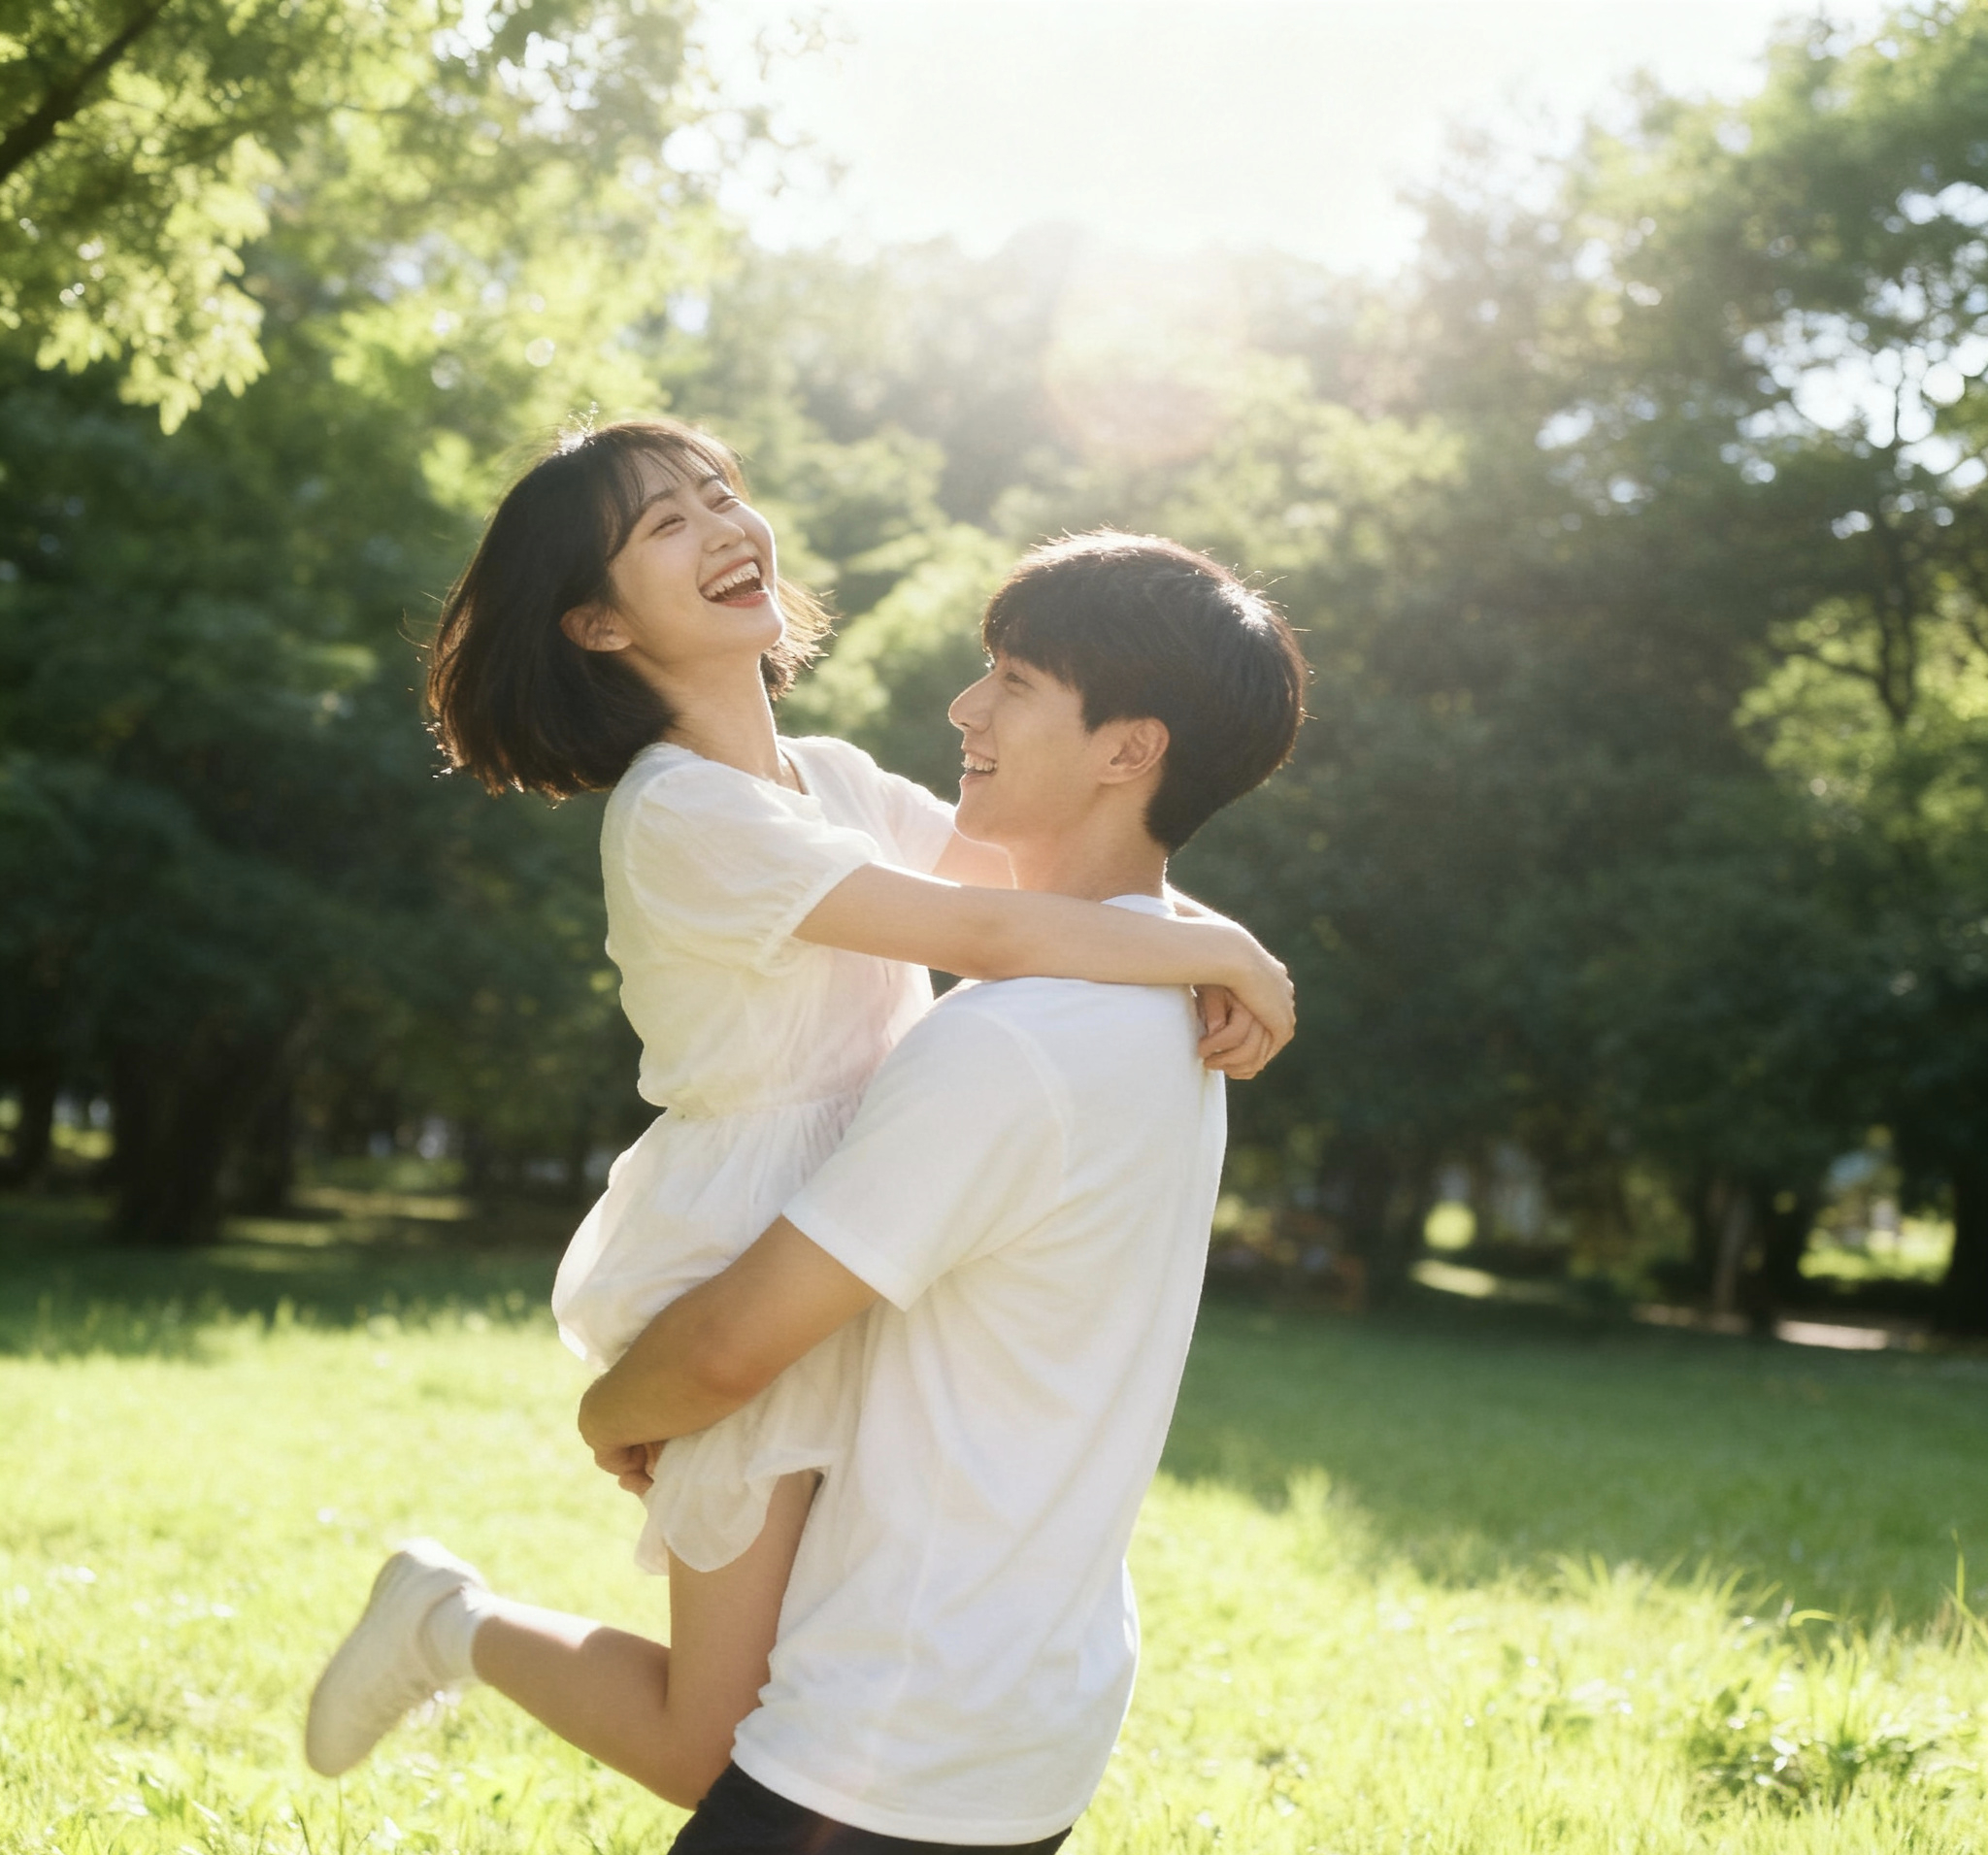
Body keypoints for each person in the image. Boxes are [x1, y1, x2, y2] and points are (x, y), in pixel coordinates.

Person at [303, 420, 1295, 1804]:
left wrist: (1198, 929)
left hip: (868, 1227)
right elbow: (984, 930)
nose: (720, 524)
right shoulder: (679, 814)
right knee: (705, 1742)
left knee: (810, 1676)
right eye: (663, 525)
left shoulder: (824, 776)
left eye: (721, 494)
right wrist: (1226, 955)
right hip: (741, 1247)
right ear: (594, 622)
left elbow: (1032, 897)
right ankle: (445, 1621)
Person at [580, 528, 1309, 1850]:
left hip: (887, 1736)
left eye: (1014, 681)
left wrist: (613, 1409)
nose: (966, 709)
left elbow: (734, 1345)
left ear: (1126, 749)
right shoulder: (1169, 1005)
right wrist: (1225, 944)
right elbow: (985, 904)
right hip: (1028, 1713)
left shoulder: (1014, 1040)